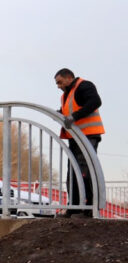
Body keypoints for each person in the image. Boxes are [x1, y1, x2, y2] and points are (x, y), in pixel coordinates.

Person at [54, 68, 105, 217]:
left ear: (69, 78)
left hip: (88, 136)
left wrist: (74, 116)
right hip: (76, 138)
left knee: (84, 171)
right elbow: (69, 111)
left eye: (60, 82)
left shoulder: (84, 86)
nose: (58, 86)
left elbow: (95, 101)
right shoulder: (66, 96)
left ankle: (90, 208)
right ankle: (74, 207)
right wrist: (60, 114)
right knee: (74, 172)